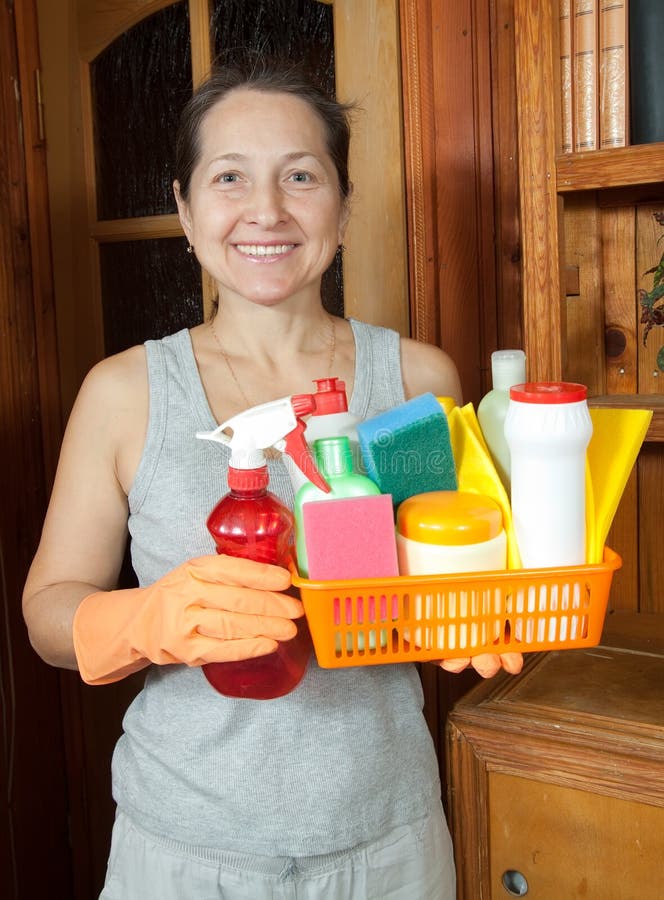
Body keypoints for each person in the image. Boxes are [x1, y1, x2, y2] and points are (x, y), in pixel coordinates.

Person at [23, 60, 522, 899]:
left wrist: (469, 609)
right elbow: (47, 615)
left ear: (342, 206)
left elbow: (450, 580)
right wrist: (147, 618)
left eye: (300, 176)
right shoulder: (124, 393)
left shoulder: (416, 384)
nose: (266, 210)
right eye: (229, 178)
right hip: (180, 850)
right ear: (184, 208)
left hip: (387, 842)